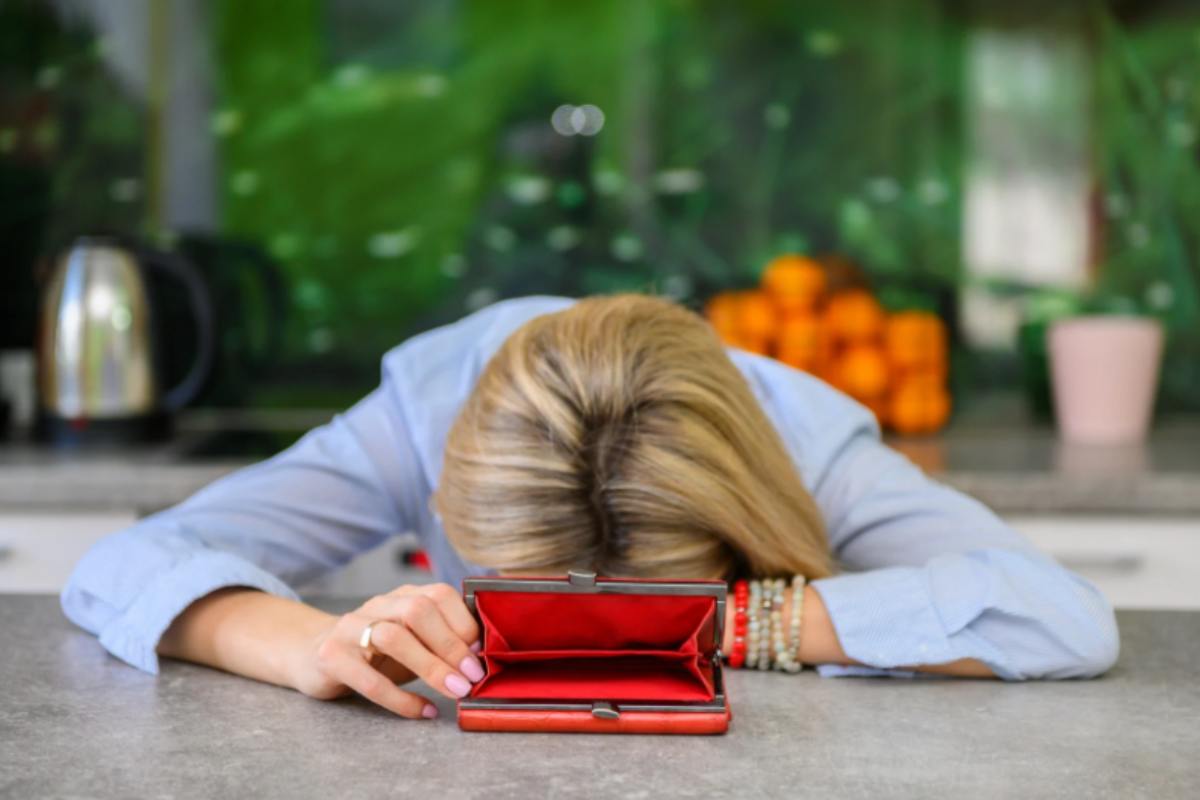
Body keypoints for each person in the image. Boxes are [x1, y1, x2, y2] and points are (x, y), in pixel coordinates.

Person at [61, 294, 1120, 720]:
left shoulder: (804, 438)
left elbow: (1064, 614)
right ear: (447, 492)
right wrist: (310, 643)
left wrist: (725, 621)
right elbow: (119, 563)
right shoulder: (422, 415)